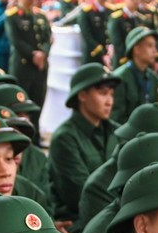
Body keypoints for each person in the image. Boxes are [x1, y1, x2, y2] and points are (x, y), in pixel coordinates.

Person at [46, 63, 118, 221]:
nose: (109, 101)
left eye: (111, 94)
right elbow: (81, 195)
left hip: (114, 215)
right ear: (83, 95)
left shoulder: (116, 132)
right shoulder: (65, 138)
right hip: (80, 221)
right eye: (103, 93)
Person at [3, 0, 53, 111]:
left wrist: (43, 53)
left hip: (40, 67)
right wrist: (33, 55)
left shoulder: (40, 15)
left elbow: (48, 38)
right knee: (20, 106)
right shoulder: (12, 16)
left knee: (38, 104)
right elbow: (16, 40)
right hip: (23, 67)